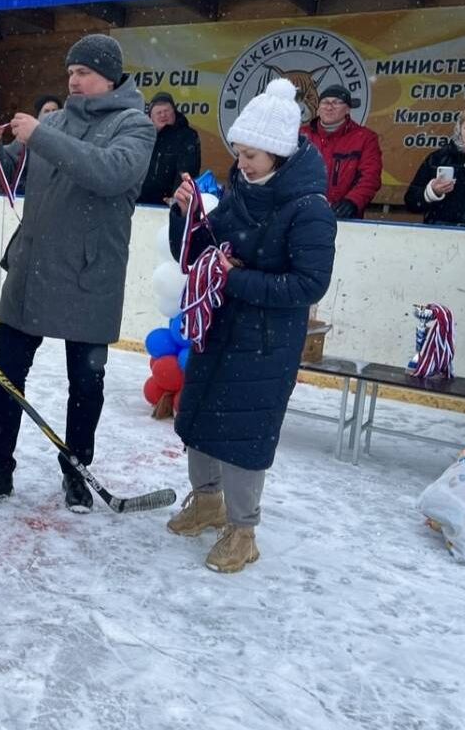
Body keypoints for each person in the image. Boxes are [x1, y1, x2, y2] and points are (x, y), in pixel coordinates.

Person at [0, 33, 155, 513]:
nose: (73, 79)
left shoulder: (135, 125)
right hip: (33, 270)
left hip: (91, 276)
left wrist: (42, 134)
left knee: (85, 384)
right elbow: (3, 172)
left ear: (109, 75)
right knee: (6, 376)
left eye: (83, 71)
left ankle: (77, 471)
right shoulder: (55, 120)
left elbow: (108, 172)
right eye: (70, 71)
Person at [166, 77, 337, 573]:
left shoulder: (310, 209)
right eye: (239, 152)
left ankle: (243, 529)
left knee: (243, 436)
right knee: (198, 420)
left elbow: (308, 285)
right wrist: (186, 217)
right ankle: (206, 501)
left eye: (253, 156)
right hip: (220, 329)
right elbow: (204, 252)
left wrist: (236, 281)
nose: (242, 163)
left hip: (265, 343)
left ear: (280, 155)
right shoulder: (240, 190)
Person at [300, 85, 383, 219]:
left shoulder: (365, 138)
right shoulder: (301, 135)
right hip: (302, 214)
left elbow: (370, 177)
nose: (329, 107)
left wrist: (352, 201)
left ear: (348, 109)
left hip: (344, 218)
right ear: (318, 108)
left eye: (337, 103)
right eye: (325, 102)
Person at [138, 92, 201, 206]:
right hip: (138, 203)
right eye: (158, 112)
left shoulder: (187, 136)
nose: (163, 115)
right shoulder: (142, 136)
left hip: (168, 204)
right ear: (150, 117)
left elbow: (187, 169)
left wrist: (176, 199)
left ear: (174, 113)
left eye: (166, 111)